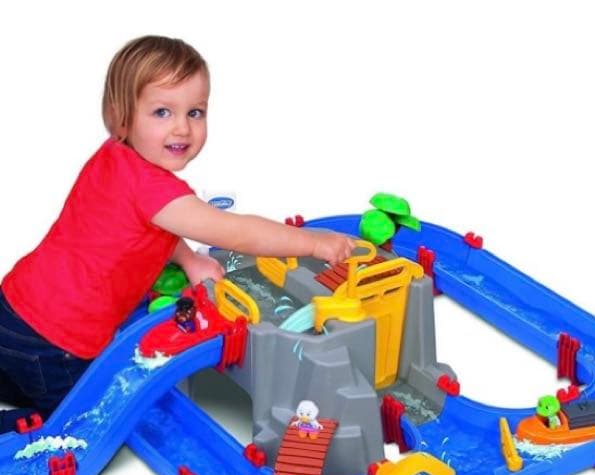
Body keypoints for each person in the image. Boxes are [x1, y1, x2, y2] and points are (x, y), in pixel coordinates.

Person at [0, 35, 355, 435]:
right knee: (89, 417)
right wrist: (314, 243)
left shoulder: (114, 157)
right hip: (56, 342)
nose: (182, 128)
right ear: (121, 119)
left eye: (195, 112)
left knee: (15, 364)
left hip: (13, 306)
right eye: (162, 112)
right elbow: (235, 232)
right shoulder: (154, 189)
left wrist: (188, 259)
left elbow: (144, 227)